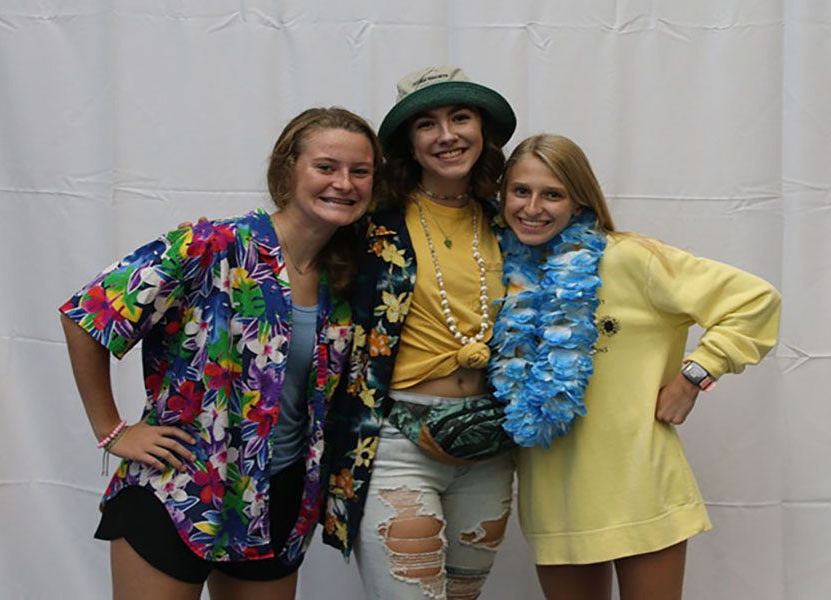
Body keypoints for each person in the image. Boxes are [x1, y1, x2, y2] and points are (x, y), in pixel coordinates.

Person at [58, 107, 381, 599]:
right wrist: (112, 430)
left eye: (360, 171)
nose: (344, 182)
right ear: (287, 170)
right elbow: (90, 311)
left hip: (279, 495)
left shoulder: (347, 275)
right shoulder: (214, 246)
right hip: (181, 486)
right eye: (326, 167)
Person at [490, 133, 782, 600]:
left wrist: (694, 376)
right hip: (555, 498)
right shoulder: (503, 273)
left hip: (641, 486)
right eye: (521, 191)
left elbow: (755, 300)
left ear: (579, 199)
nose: (533, 207)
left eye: (553, 193)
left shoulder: (630, 258)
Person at [321, 66, 518, 599]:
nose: (447, 135)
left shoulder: (512, 223)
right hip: (396, 440)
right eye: (427, 124)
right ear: (410, 142)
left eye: (460, 117)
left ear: (483, 131)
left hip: (489, 442)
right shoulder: (367, 222)